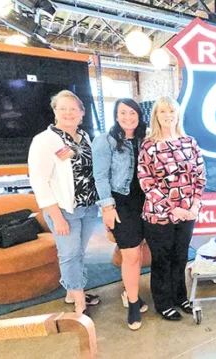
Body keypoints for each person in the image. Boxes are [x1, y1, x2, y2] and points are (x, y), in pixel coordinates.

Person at [28, 90, 100, 315]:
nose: (69, 113)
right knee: (69, 254)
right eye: (63, 108)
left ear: (82, 113)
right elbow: (39, 182)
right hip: (63, 210)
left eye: (74, 109)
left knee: (78, 252)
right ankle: (80, 304)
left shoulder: (85, 137)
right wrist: (56, 217)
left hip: (88, 208)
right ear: (55, 111)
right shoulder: (44, 141)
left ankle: (72, 292)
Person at [138, 95, 206, 321]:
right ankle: (163, 302)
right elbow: (146, 182)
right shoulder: (149, 145)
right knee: (162, 260)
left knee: (181, 257)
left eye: (172, 111)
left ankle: (180, 297)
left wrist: (196, 204)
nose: (168, 116)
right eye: (163, 112)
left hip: (188, 213)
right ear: (156, 116)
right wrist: (171, 209)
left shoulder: (189, 142)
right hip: (159, 215)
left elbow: (200, 176)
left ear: (178, 115)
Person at [91, 98, 148, 330]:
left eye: (132, 113)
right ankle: (133, 302)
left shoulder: (147, 138)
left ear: (138, 115)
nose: (128, 117)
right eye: (123, 113)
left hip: (148, 202)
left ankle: (132, 292)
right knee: (131, 255)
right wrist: (107, 207)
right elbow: (101, 177)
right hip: (121, 204)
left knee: (141, 250)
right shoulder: (105, 141)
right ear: (116, 115)